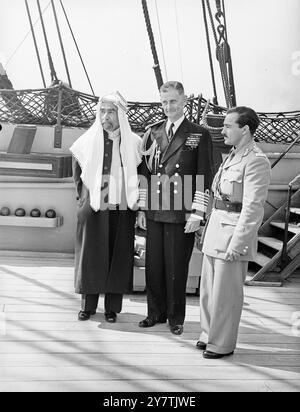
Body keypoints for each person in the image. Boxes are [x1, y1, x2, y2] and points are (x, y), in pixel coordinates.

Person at [137, 81, 214, 335]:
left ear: (184, 102)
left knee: (176, 267)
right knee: (154, 266)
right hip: (156, 210)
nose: (168, 106)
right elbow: (145, 174)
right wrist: (142, 209)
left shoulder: (198, 134)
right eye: (164, 102)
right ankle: (154, 313)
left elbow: (204, 175)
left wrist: (199, 213)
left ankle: (175, 318)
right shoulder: (153, 132)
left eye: (173, 101)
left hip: (182, 211)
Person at [196, 106, 271, 358]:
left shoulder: (256, 160)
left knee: (226, 296)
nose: (222, 131)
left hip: (231, 236)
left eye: (228, 126)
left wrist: (239, 244)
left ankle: (221, 344)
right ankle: (208, 335)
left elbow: (252, 208)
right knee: (208, 292)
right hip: (216, 229)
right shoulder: (233, 155)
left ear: (245, 129)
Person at [70, 91, 141, 322]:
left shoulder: (136, 143)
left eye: (111, 111)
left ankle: (112, 309)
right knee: (90, 255)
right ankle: (87, 306)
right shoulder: (86, 141)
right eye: (102, 111)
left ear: (121, 114)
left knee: (118, 255)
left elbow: (141, 176)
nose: (106, 116)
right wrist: (85, 201)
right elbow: (77, 177)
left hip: (122, 204)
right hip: (93, 204)